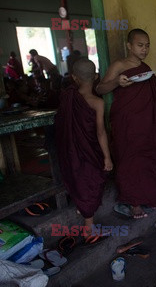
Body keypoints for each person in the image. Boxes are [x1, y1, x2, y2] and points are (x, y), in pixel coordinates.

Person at [96, 28, 156, 219]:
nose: (145, 49)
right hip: (127, 121)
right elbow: (101, 88)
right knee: (130, 160)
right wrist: (117, 82)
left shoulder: (144, 67)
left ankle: (150, 195)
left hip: (147, 121)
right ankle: (134, 202)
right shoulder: (120, 65)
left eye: (147, 45)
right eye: (140, 45)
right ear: (129, 45)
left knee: (148, 157)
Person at [54, 58, 113, 237]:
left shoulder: (67, 98)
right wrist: (107, 157)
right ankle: (89, 228)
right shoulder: (98, 102)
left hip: (71, 151)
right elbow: (101, 133)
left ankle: (82, 208)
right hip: (90, 150)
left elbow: (61, 125)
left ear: (74, 77)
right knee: (90, 181)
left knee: (79, 178)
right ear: (96, 76)